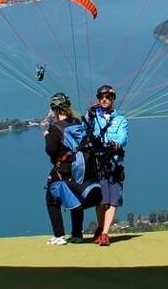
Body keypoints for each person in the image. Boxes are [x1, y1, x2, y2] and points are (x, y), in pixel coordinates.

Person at [42, 92, 92, 244]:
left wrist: (47, 136)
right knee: (75, 198)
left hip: (63, 169)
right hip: (80, 168)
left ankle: (59, 235)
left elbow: (51, 150)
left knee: (52, 198)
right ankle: (77, 234)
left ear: (54, 110)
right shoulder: (77, 123)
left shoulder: (55, 128)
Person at [84, 84, 129, 246]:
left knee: (112, 198)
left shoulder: (120, 120)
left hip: (114, 162)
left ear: (113, 99)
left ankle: (104, 233)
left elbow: (123, 137)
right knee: (100, 199)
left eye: (108, 97)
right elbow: (85, 131)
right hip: (98, 162)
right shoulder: (94, 118)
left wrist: (115, 144)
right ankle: (101, 226)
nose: (104, 99)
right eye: (101, 97)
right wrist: (88, 116)